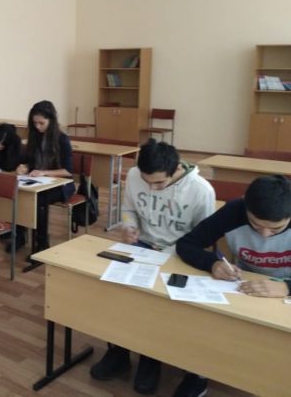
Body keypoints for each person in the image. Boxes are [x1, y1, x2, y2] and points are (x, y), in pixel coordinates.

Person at [90, 139, 215, 396]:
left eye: (159, 183)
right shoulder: (136, 175)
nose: (152, 188)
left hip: (179, 254)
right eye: (147, 182)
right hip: (142, 247)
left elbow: (204, 238)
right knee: (116, 294)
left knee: (158, 305)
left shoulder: (201, 191)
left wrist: (175, 255)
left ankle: (150, 358)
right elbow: (129, 209)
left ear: (176, 169)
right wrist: (128, 225)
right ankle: (119, 351)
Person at [175, 175, 291, 397]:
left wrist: (287, 287)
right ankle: (197, 374)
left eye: (276, 229)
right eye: (256, 224)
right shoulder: (234, 211)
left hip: (284, 294)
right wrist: (212, 263)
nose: (264, 235)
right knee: (206, 321)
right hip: (242, 286)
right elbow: (186, 244)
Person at [16, 100, 75, 250]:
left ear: (51, 121)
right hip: (39, 182)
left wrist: (44, 172)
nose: (37, 127)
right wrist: (24, 167)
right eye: (35, 123)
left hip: (62, 185)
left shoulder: (62, 139)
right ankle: (20, 235)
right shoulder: (35, 136)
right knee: (19, 194)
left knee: (39, 199)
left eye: (41, 123)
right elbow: (29, 161)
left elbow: (67, 171)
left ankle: (41, 243)